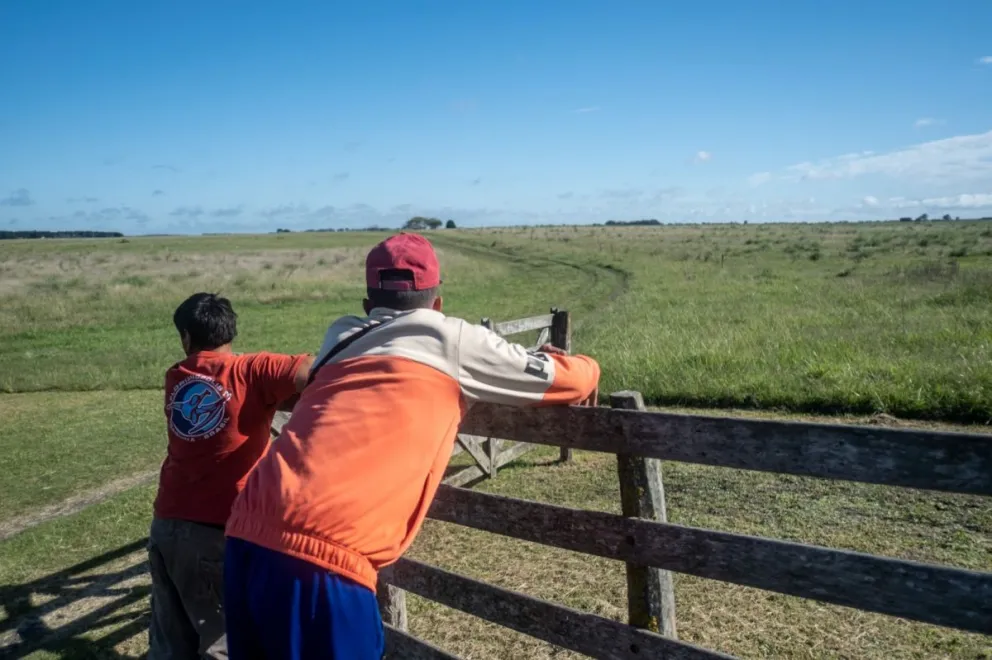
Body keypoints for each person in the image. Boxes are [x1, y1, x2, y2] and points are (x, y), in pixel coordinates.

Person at [223, 233, 600, 659]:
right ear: (437, 303)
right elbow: (567, 380)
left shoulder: (339, 337)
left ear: (368, 305)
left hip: (246, 530)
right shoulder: (449, 337)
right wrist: (587, 365)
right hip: (324, 551)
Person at [149, 292, 313, 660]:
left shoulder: (177, 375)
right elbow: (312, 372)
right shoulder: (251, 370)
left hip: (167, 520)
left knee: (169, 637)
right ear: (231, 330)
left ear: (187, 338)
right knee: (221, 641)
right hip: (216, 528)